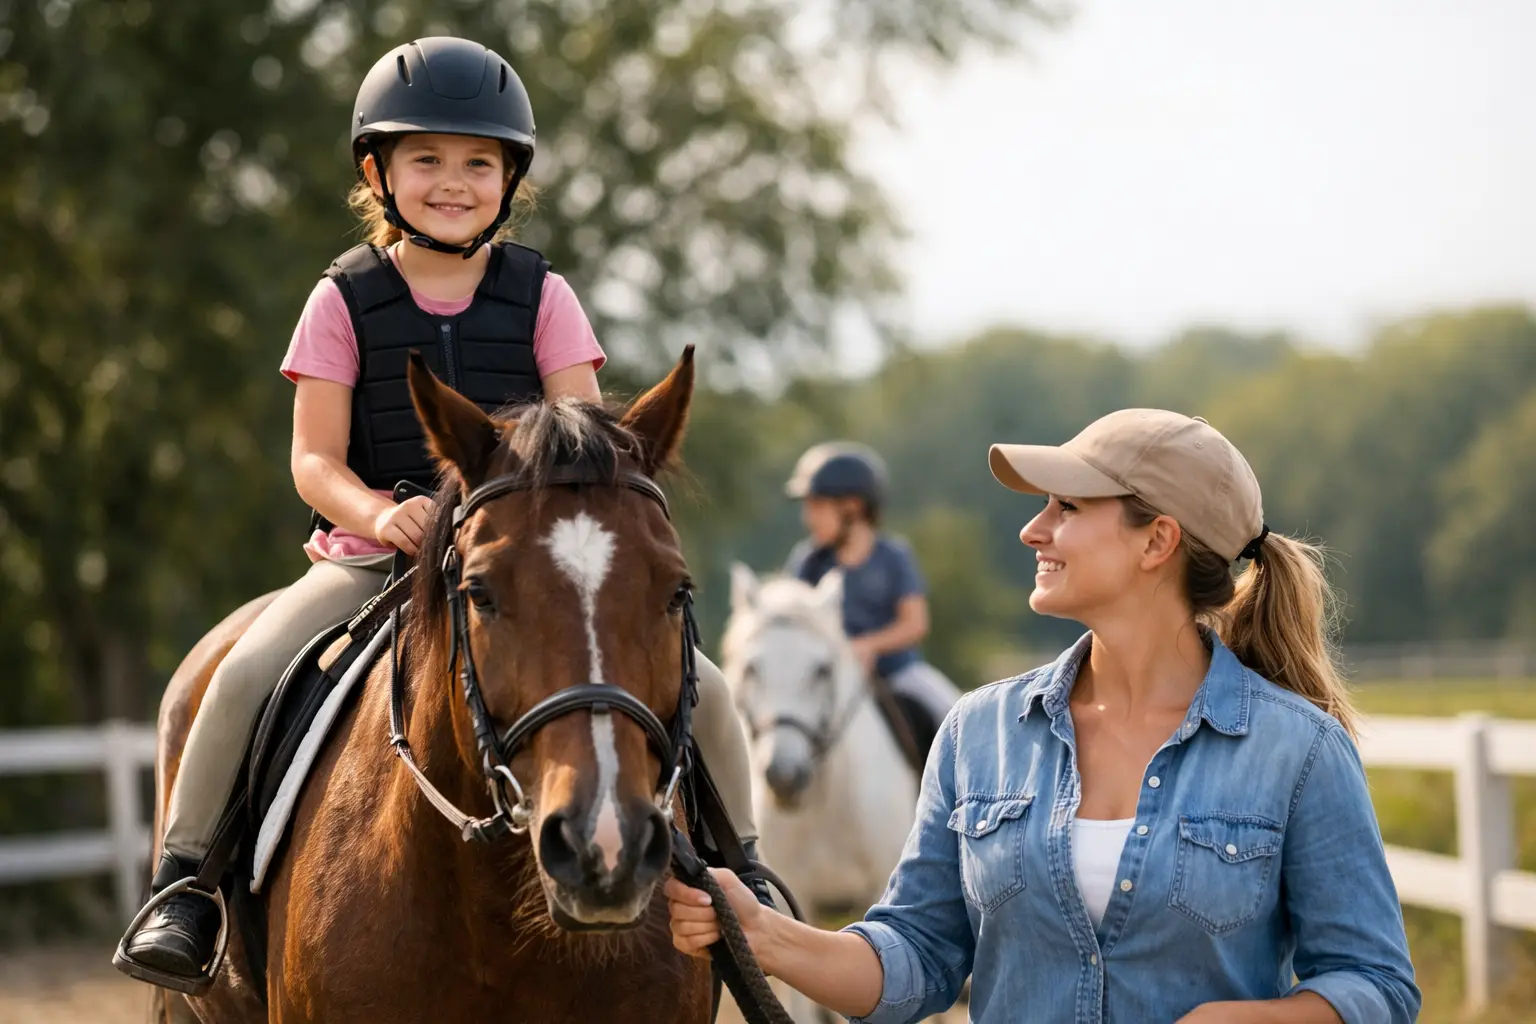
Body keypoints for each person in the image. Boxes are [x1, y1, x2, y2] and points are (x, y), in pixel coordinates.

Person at [116, 36, 763, 990]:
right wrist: (381, 519)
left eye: (477, 163)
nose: (452, 182)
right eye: (427, 160)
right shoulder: (341, 299)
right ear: (378, 173)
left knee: (707, 692)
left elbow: (588, 443)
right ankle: (188, 887)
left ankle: (746, 877)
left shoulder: (543, 295)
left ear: (510, 181)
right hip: (376, 555)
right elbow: (313, 459)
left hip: (523, 559)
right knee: (238, 669)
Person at [670, 409, 1421, 1023]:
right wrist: (763, 932)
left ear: (1157, 540)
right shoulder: (977, 734)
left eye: (1067, 507)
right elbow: (917, 955)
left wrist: (1237, 1022)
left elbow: (1377, 984)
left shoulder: (1302, 752)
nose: (1034, 530)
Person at [782, 442, 960, 748]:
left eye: (817, 505)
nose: (808, 518)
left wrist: (865, 646)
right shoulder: (808, 561)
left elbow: (915, 624)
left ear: (852, 507)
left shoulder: (893, 557)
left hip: (898, 674)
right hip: (828, 676)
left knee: (956, 715)